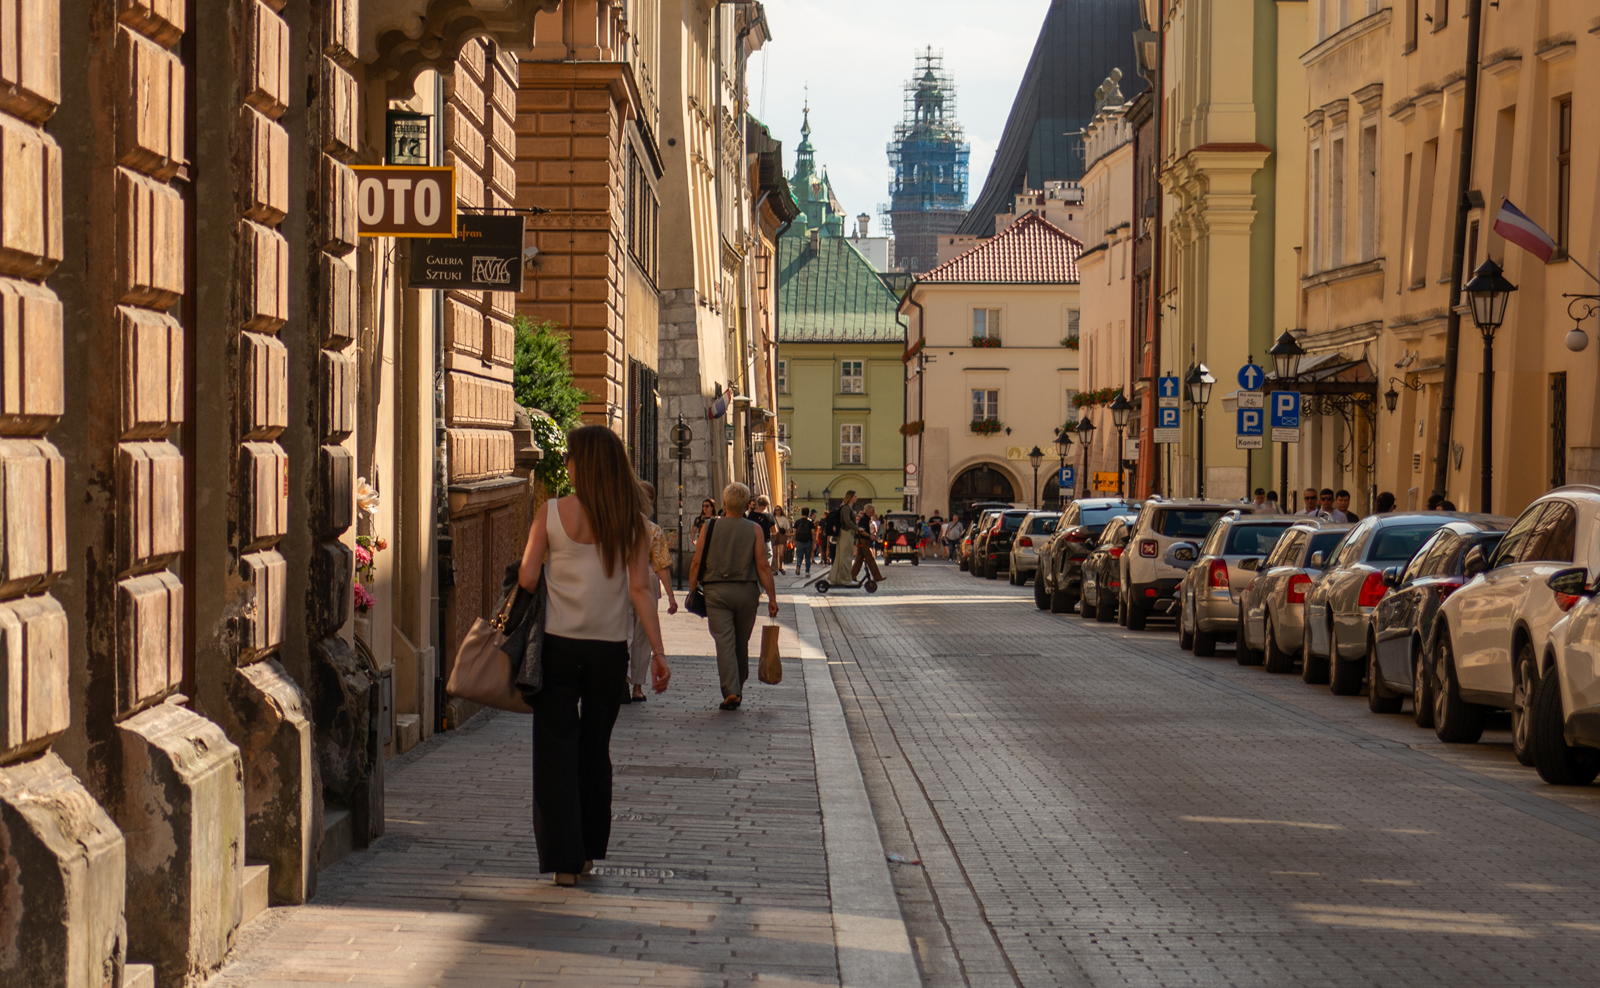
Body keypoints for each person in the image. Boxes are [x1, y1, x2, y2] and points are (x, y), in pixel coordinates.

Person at [515, 426, 670, 887]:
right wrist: (658, 653)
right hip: (609, 653)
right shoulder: (632, 522)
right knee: (594, 750)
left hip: (558, 647)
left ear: (583, 464)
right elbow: (641, 590)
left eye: (570, 458)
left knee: (555, 752)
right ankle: (588, 852)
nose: (566, 465)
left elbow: (526, 577)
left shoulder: (550, 513)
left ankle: (564, 860)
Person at [685, 482, 779, 710]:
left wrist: (691, 587)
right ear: (748, 505)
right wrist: (772, 597)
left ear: (724, 503)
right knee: (741, 641)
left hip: (716, 592)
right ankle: (739, 684)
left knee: (724, 641)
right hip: (747, 591)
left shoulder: (709, 527)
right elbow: (763, 567)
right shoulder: (754, 529)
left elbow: (697, 561)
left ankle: (731, 689)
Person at [625, 482, 678, 704]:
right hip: (646, 576)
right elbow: (661, 565)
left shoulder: (618, 523)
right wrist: (671, 595)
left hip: (620, 578)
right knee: (642, 634)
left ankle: (620, 679)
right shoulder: (653, 529)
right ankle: (637, 687)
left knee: (621, 630)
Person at [826, 492, 860, 583]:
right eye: (855, 496)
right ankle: (845, 578)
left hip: (847, 532)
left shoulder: (847, 507)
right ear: (850, 497)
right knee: (845, 556)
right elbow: (847, 521)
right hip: (846, 532)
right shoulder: (846, 508)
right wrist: (857, 529)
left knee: (843, 556)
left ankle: (837, 578)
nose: (857, 498)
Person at [852, 503, 886, 582]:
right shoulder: (864, 519)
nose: (874, 512)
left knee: (859, 560)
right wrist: (869, 536)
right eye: (872, 510)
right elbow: (861, 531)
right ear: (867, 510)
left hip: (863, 541)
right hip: (863, 541)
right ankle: (877, 576)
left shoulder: (866, 518)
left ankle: (852, 576)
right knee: (870, 559)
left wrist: (871, 535)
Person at [792, 508, 817, 576]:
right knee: (808, 557)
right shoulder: (810, 523)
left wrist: (795, 540)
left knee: (799, 556)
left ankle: (799, 564)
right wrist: (814, 542)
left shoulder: (797, 522)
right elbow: (813, 533)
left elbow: (794, 532)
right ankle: (807, 572)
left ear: (801, 513)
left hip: (799, 541)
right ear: (808, 513)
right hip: (808, 541)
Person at [771, 504, 791, 574]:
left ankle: (781, 566)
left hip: (782, 536)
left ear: (781, 510)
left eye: (778, 510)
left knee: (781, 554)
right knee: (775, 553)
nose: (777, 511)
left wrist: (788, 537)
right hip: (775, 535)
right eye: (776, 510)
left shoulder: (784, 519)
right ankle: (776, 570)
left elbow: (788, 528)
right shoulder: (772, 518)